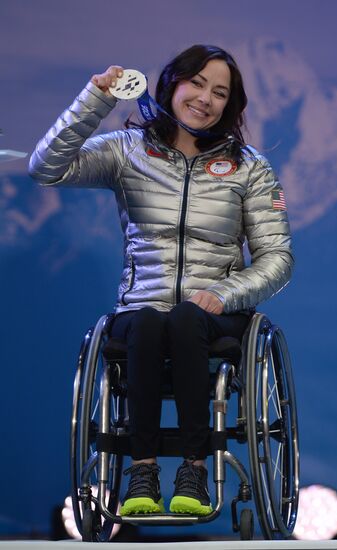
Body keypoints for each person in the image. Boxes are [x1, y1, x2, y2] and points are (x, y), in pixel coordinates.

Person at [29, 44, 293, 517]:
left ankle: (195, 469)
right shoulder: (128, 152)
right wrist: (97, 97)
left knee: (187, 318)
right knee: (149, 323)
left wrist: (223, 293)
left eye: (219, 92)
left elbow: (277, 257)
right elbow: (46, 168)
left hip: (215, 315)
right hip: (140, 311)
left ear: (229, 106)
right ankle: (142, 471)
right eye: (196, 83)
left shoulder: (250, 167)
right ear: (172, 84)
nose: (205, 98)